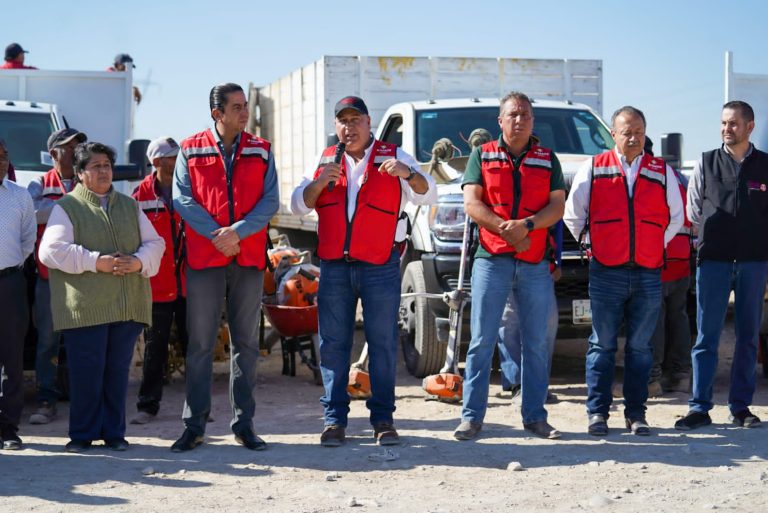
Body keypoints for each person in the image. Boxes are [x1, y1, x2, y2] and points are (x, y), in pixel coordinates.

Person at [290, 95, 437, 447]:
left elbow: (428, 194)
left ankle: (383, 420)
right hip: (335, 268)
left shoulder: (395, 155)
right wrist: (317, 184)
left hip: (380, 266)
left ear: (369, 123)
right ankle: (333, 421)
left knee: (383, 343)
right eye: (342, 121)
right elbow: (298, 205)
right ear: (335, 126)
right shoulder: (325, 160)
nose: (348, 127)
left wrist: (410, 173)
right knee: (333, 344)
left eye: (355, 120)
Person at [171, 83, 279, 452]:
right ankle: (194, 425)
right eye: (236, 107)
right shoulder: (190, 148)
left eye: (245, 105)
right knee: (200, 343)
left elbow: (270, 201)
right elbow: (181, 199)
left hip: (247, 258)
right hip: (205, 258)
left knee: (246, 344)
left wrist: (237, 232)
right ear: (217, 113)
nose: (244, 112)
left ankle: (243, 424)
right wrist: (217, 234)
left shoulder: (262, 150)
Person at [564, 106, 683, 437]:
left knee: (640, 349)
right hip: (606, 271)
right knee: (601, 345)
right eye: (627, 132)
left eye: (640, 132)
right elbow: (573, 215)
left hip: (647, 272)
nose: (634, 138)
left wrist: (654, 245)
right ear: (613, 134)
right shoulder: (594, 166)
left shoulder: (661, 171)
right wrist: (592, 245)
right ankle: (597, 414)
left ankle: (636, 415)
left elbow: (677, 216)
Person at [453, 91, 565, 442]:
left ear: (533, 121)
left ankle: (535, 417)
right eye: (513, 115)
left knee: (535, 343)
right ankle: (471, 419)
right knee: (482, 341)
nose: (520, 120)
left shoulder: (548, 159)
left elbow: (557, 208)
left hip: (533, 262)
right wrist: (506, 229)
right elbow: (472, 203)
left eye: (526, 115)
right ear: (499, 121)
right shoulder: (480, 156)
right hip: (491, 260)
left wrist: (526, 226)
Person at [39, 142, 164, 452]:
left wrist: (137, 262)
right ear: (80, 173)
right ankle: (82, 436)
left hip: (126, 305)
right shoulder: (67, 207)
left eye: (107, 165)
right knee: (86, 374)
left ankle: (114, 434)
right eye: (95, 166)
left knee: (117, 373)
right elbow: (50, 252)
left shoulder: (129, 205)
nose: (104, 171)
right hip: (87, 308)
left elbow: (156, 243)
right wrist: (96, 261)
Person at [675, 100, 768, 431]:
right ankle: (699, 407)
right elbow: (694, 209)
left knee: (747, 337)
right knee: (706, 337)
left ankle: (741, 407)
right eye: (723, 123)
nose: (726, 129)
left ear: (750, 127)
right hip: (712, 262)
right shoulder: (706, 162)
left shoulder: (765, 166)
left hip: (754, 263)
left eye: (733, 124)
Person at [26, 128, 87, 425]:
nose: (76, 150)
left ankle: (84, 401)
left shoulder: (88, 181)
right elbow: (29, 212)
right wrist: (70, 207)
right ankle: (46, 400)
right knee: (48, 342)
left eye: (79, 145)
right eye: (69, 146)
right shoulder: (39, 184)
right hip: (49, 278)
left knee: (83, 340)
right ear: (53, 154)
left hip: (85, 279)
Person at [130, 137, 188, 425]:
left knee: (196, 346)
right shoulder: (138, 196)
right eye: (172, 156)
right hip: (156, 286)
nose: (179, 159)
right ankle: (147, 406)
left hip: (191, 283)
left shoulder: (190, 188)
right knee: (155, 346)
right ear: (157, 162)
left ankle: (198, 406)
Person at [497, 221, 561, 402]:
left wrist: (557, 261)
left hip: (540, 262)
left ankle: (538, 384)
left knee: (547, 324)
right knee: (510, 321)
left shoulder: (548, 192)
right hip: (502, 259)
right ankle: (516, 383)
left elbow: (557, 227)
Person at [0, 138, 36, 450]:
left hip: (9, 283)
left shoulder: (20, 196)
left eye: (4, 156)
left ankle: (8, 429)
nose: (0, 161)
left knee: (11, 360)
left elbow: (27, 242)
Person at [648, 166, 692, 396]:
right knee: (679, 316)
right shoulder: (678, 176)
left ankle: (652, 379)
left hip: (659, 256)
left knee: (655, 318)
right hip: (681, 256)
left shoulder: (650, 175)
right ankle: (681, 375)